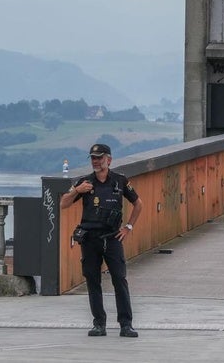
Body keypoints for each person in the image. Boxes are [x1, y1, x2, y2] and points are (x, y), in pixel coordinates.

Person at [60, 143, 143, 338]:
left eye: (99, 157)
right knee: (93, 280)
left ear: (109, 159)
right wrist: (77, 191)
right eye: (93, 158)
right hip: (90, 239)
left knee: (119, 279)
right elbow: (63, 203)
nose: (96, 161)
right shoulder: (85, 182)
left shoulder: (120, 181)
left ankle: (126, 324)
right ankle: (99, 323)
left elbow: (138, 204)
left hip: (113, 237)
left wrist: (129, 227)